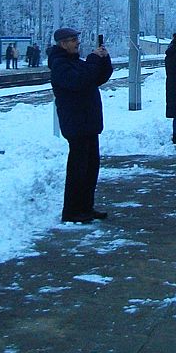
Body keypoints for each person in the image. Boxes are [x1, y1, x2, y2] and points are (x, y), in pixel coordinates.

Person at [48, 27, 113, 223]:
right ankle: (72, 211)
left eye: (76, 38)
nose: (77, 42)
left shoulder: (74, 62)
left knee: (90, 167)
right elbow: (81, 80)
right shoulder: (60, 64)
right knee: (78, 169)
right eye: (73, 39)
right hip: (76, 124)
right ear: (62, 43)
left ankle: (86, 207)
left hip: (88, 123)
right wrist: (94, 60)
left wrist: (103, 59)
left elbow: (97, 77)